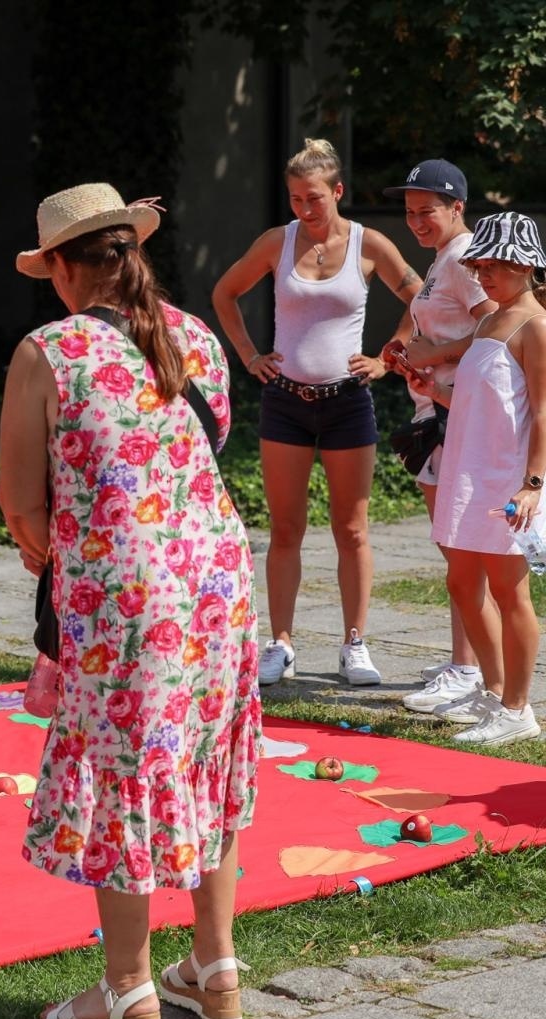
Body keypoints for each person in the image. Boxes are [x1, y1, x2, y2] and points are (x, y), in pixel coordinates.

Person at [0, 183, 261, 1019]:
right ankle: (216, 971)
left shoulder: (46, 351)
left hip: (124, 598)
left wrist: (51, 550)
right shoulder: (195, 338)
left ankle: (126, 994)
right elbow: (198, 455)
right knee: (202, 759)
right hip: (217, 584)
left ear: (66, 269)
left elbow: (23, 501)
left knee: (123, 779)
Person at [212, 138, 422, 687]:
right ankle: (280, 642)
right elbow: (224, 293)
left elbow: (419, 300)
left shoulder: (368, 243)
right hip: (285, 402)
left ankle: (355, 643)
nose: (304, 210)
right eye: (295, 199)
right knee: (286, 529)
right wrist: (250, 356)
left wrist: (387, 359)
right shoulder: (276, 243)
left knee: (351, 529)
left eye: (313, 199)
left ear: (337, 192)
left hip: (348, 403)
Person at [405, 211, 546, 746]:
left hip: (504, 479)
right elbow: (474, 399)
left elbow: (542, 411)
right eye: (478, 264)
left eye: (494, 266)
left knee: (511, 594)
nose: (483, 274)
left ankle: (518, 707)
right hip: (467, 470)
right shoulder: (489, 322)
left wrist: (532, 484)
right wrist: (430, 386)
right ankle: (493, 692)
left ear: (525, 266)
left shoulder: (536, 326)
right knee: (462, 583)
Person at [381, 160, 499, 714]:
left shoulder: (463, 260)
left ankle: (469, 669)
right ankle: (466, 661)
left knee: (462, 553)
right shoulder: (443, 259)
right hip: (439, 414)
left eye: (426, 211)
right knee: (455, 549)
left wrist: (438, 354)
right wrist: (410, 353)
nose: (416, 222)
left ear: (457, 207)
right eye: (409, 213)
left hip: (461, 419)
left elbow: (501, 322)